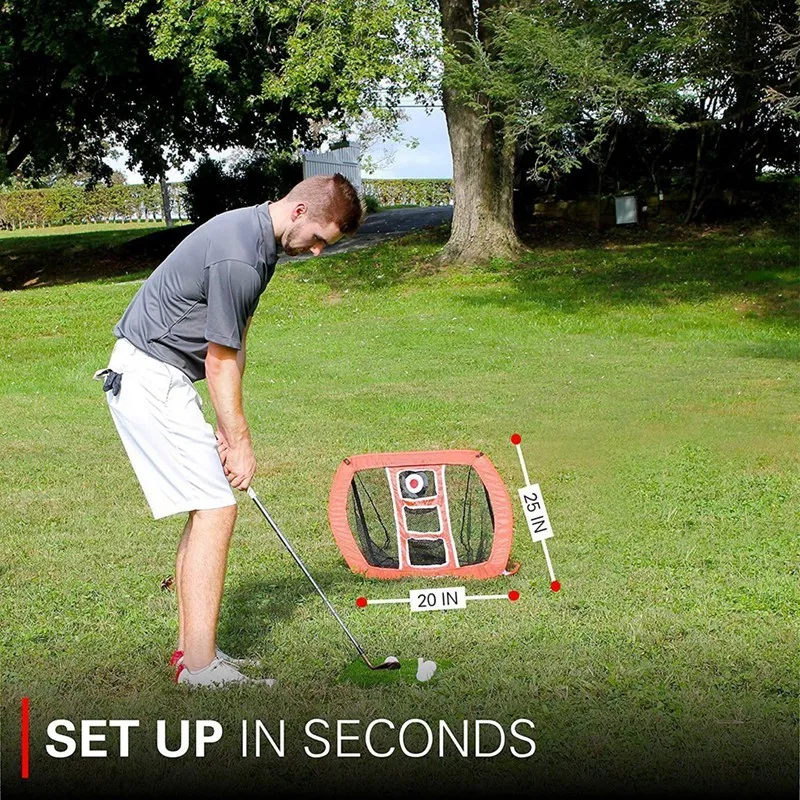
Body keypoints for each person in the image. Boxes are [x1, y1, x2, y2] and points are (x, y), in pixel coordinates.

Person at [99, 173, 362, 687]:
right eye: (318, 239)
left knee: (208, 508)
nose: (315, 252)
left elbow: (233, 342)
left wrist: (227, 424)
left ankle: (193, 655)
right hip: (150, 377)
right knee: (216, 509)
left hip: (158, 376)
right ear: (300, 212)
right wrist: (239, 442)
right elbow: (218, 361)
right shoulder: (241, 254)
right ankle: (201, 668)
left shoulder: (256, 240)